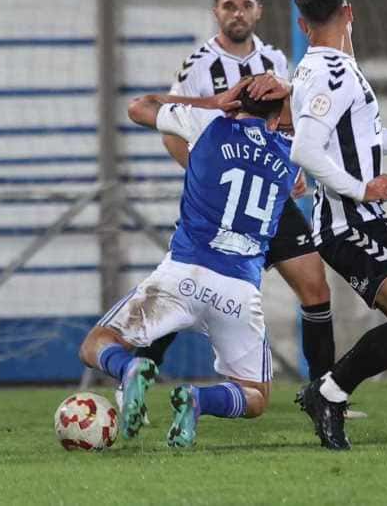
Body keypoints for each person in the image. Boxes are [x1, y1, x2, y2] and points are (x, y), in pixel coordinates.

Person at [134, 0, 338, 399]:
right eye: (229, 6)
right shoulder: (198, 66)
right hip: (222, 206)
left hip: (269, 202)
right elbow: (171, 125)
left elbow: (289, 125)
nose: (238, 13)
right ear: (216, 12)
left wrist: (293, 170)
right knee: (186, 295)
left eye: (246, 5)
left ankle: (325, 391)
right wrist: (203, 173)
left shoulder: (277, 61)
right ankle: (138, 373)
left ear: (258, 11)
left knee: (315, 286)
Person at [278, 0, 387, 451]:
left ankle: (327, 392)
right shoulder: (331, 74)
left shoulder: (337, 69)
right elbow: (306, 151)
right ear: (349, 13)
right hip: (346, 224)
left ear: (301, 24)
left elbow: (359, 144)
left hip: (358, 222)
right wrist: (362, 189)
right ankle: (328, 394)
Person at [77, 78, 293, 448]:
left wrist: (213, 101)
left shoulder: (208, 122)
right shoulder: (292, 153)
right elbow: (308, 116)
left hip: (182, 275)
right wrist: (285, 91)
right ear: (276, 119)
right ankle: (198, 400)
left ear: (233, 103)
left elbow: (138, 106)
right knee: (255, 395)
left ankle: (129, 368)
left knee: (97, 343)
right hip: (238, 291)